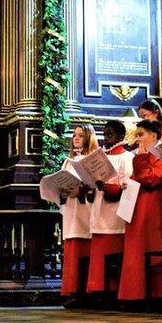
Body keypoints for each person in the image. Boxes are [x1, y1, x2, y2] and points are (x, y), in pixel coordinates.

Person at [118, 120, 162, 302]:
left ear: (154, 136)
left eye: (141, 134)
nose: (137, 139)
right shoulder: (142, 155)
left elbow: (152, 180)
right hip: (136, 207)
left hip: (151, 209)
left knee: (149, 247)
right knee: (134, 252)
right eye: (137, 135)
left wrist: (141, 159)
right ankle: (134, 294)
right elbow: (139, 178)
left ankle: (154, 295)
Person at [86, 121, 134, 295]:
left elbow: (126, 185)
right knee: (99, 253)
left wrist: (107, 187)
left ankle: (112, 290)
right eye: (104, 135)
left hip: (115, 214)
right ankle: (97, 290)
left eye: (110, 135)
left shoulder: (126, 158)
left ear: (121, 137)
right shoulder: (99, 157)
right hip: (99, 210)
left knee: (112, 253)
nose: (106, 139)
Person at [60, 124, 99, 299]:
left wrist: (81, 191)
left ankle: (84, 292)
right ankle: (72, 291)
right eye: (74, 135)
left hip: (86, 209)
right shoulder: (68, 161)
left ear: (89, 137)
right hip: (70, 208)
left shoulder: (93, 159)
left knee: (85, 249)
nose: (76, 138)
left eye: (81, 135)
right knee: (72, 249)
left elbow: (96, 186)